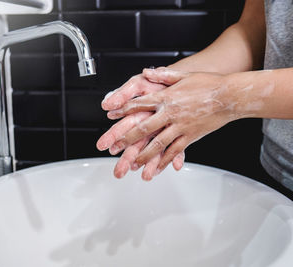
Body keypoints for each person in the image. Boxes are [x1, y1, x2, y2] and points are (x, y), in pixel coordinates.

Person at [96, 0, 293, 191]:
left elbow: (222, 95)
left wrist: (224, 98)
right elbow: (252, 32)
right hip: (277, 165)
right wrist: (167, 86)